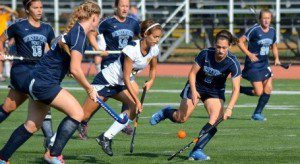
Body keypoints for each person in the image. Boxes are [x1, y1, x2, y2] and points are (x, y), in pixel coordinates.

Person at [0, 1, 101, 163]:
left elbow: (61, 48)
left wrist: (66, 65)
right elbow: (76, 69)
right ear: (94, 18)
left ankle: (2, 157)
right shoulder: (79, 35)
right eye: (99, 19)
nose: (98, 23)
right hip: (44, 83)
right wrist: (90, 88)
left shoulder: (75, 31)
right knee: (77, 113)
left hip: (35, 80)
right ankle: (53, 154)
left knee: (32, 126)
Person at [150, 30, 241, 161]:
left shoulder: (233, 62)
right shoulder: (205, 54)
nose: (221, 50)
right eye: (218, 47)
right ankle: (166, 112)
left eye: (224, 48)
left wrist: (230, 108)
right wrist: (193, 91)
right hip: (196, 85)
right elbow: (192, 74)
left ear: (229, 47)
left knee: (215, 120)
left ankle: (197, 150)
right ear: (215, 44)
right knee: (181, 118)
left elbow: (236, 89)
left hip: (215, 91)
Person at [81, 19, 162, 156]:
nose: (157, 40)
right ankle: (53, 142)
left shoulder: (154, 49)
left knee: (133, 109)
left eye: (159, 37)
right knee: (81, 116)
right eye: (155, 37)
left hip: (119, 85)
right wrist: (137, 100)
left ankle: (105, 137)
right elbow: (126, 77)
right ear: (145, 34)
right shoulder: (131, 49)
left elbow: (153, 67)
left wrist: (151, 80)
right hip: (105, 81)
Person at [78, 0, 141, 139]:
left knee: (134, 92)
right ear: (116, 7)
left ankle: (122, 121)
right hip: (110, 66)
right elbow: (91, 33)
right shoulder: (107, 22)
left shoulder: (133, 23)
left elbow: (139, 41)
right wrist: (97, 49)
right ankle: (83, 122)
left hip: (125, 65)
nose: (125, 9)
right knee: (100, 100)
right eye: (122, 6)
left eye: (127, 6)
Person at [0, 0, 55, 149]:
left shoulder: (47, 28)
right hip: (23, 71)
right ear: (27, 9)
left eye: (41, 7)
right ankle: (50, 140)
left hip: (39, 72)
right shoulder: (18, 26)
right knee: (8, 108)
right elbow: (2, 39)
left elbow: (52, 49)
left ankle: (50, 141)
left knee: (41, 104)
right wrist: (2, 52)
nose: (39, 10)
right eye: (35, 8)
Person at [238, 9, 281, 121]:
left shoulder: (272, 30)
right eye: (264, 18)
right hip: (253, 65)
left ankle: (257, 114)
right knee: (258, 92)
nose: (266, 20)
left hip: (264, 64)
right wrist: (249, 54)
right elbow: (240, 41)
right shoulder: (255, 30)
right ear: (260, 19)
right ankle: (239, 89)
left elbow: (274, 46)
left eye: (268, 18)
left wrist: (276, 58)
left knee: (268, 89)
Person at [0, 5, 18, 82]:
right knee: (1, 57)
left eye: (1, 9)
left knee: (6, 56)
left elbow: (15, 13)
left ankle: (7, 74)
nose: (0, 10)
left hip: (4, 40)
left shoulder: (4, 16)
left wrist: (4, 7)